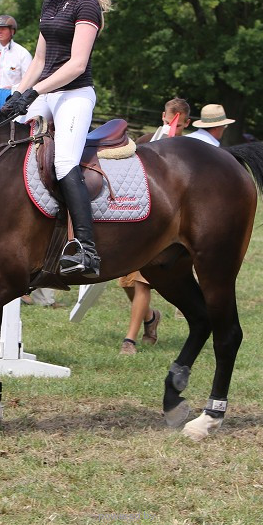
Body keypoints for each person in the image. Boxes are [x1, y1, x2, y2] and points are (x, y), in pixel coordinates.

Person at [1, 0, 112, 278]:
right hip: (46, 91)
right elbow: (38, 60)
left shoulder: (87, 5)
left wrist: (35, 91)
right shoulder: (51, 2)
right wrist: (18, 95)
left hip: (75, 94)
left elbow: (76, 64)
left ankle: (85, 248)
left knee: (64, 162)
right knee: (6, 137)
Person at [118, 98, 191, 354]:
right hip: (135, 221)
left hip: (161, 227)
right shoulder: (146, 142)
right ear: (163, 117)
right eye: (173, 122)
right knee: (127, 282)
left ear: (187, 123)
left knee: (141, 282)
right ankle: (150, 318)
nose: (176, 128)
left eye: (181, 125)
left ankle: (129, 340)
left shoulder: (188, 150)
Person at [0, 15, 33, 89]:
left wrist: (12, 88)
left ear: (12, 31)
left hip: (14, 97)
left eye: (3, 29)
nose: (0, 32)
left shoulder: (23, 53)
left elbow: (29, 80)